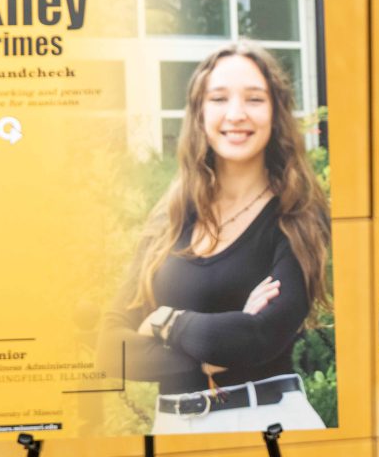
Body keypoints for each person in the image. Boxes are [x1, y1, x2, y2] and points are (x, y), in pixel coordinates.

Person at [98, 42, 330, 434]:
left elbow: (261, 337)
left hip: (267, 423)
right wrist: (207, 356)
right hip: (172, 427)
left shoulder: (297, 214)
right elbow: (110, 348)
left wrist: (165, 320)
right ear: (199, 113)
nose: (236, 114)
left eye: (254, 99)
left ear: (275, 111)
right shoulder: (169, 219)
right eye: (219, 98)